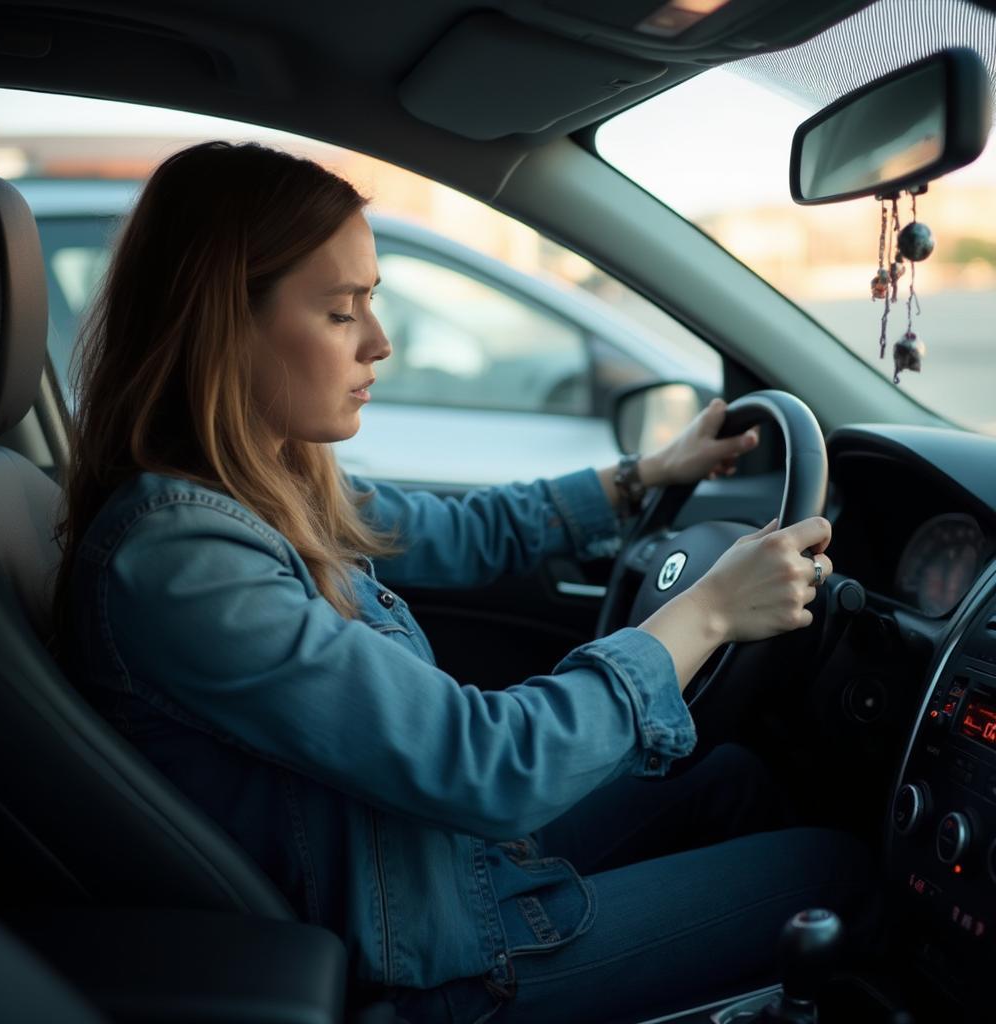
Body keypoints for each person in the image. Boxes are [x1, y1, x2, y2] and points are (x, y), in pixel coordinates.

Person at [52, 141, 878, 1024]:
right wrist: (707, 611)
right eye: (341, 312)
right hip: (429, 967)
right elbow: (488, 766)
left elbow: (464, 530)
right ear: (223, 326)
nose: (380, 341)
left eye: (372, 300)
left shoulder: (266, 486)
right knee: (839, 873)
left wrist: (643, 475)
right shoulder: (183, 562)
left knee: (733, 781)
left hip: (427, 873)